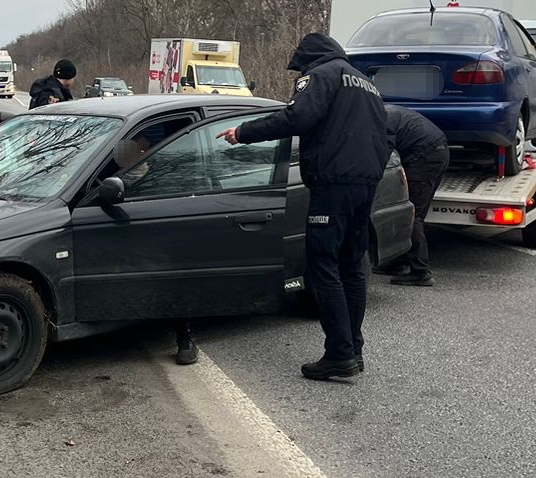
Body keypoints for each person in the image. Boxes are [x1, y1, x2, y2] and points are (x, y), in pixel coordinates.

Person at [217, 33, 388, 381]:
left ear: (309, 59)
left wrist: (243, 133)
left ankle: (339, 354)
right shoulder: (366, 84)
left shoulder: (321, 75)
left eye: (300, 68)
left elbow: (297, 117)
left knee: (323, 265)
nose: (299, 74)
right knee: (352, 267)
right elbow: (386, 132)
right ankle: (353, 349)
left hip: (332, 184)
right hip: (365, 183)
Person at [116, 132, 200, 365]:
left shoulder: (166, 172)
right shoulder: (119, 173)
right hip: (127, 236)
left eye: (138, 150)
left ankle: (185, 337)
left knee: (174, 276)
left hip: (161, 235)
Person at [380, 104, 449, 287]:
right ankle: (400, 261)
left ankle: (420, 271)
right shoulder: (386, 111)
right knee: (415, 212)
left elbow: (382, 155)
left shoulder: (380, 120)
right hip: (437, 149)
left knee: (410, 213)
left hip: (425, 155)